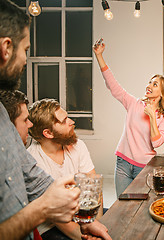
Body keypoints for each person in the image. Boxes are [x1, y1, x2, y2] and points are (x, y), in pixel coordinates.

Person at [0, 1, 111, 239]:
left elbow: (33, 178)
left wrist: (87, 222)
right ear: (6, 48)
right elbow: (43, 203)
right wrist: (42, 209)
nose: (26, 60)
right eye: (27, 50)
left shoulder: (2, 114)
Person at [93, 40, 164, 197]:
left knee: (141, 208)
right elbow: (113, 85)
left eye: (155, 84)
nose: (149, 85)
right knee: (122, 206)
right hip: (123, 163)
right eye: (150, 82)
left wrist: (151, 117)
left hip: (144, 167)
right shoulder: (134, 104)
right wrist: (99, 56)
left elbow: (156, 143)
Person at [27, 98, 104, 240]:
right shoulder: (32, 161)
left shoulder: (77, 145)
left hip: (83, 214)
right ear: (48, 133)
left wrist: (97, 223)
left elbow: (94, 189)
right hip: (52, 226)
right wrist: (86, 236)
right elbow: (55, 216)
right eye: (64, 121)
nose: (72, 122)